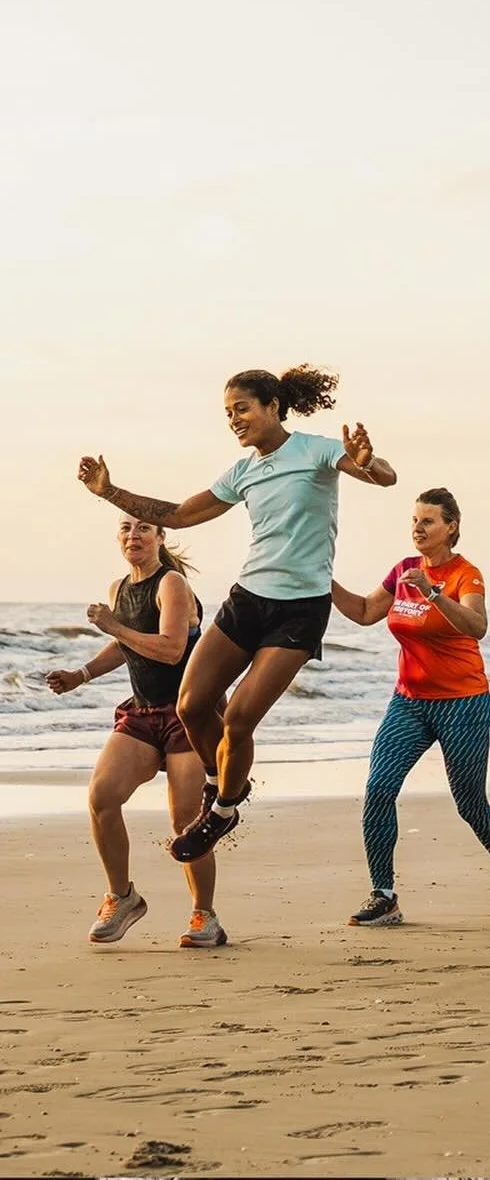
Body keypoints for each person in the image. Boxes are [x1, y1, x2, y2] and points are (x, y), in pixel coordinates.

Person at [77, 364, 395, 862]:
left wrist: (367, 461)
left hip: (300, 609)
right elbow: (179, 514)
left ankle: (223, 810)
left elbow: (385, 478)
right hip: (248, 598)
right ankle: (219, 780)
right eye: (228, 413)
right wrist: (109, 492)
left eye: (242, 409)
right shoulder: (244, 471)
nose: (234, 420)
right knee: (191, 704)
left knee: (241, 717)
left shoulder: (315, 450)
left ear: (273, 407)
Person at [329, 488, 490, 926]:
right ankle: (384, 895)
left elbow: (477, 626)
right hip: (410, 703)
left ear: (451, 527)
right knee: (379, 790)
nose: (418, 528)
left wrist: (434, 593)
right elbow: (365, 611)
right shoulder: (403, 570)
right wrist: (325, 581)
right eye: (414, 520)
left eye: (428, 521)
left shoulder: (465, 574)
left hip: (463, 704)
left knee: (470, 804)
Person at [46, 517, 226, 948]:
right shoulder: (119, 589)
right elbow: (126, 644)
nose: (134, 535)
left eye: (144, 528)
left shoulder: (172, 584)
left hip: (189, 713)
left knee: (186, 821)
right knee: (102, 797)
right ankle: (122, 897)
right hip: (143, 712)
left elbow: (171, 649)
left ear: (161, 538)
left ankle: (204, 916)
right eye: (126, 528)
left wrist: (114, 626)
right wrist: (81, 674)